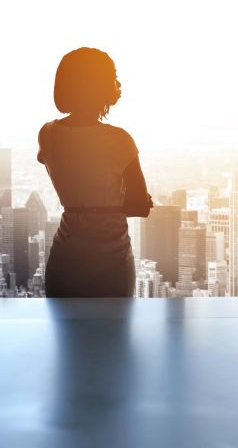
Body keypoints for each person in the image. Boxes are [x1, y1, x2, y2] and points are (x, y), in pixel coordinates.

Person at [38, 47, 152, 297]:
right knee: (113, 332)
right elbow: (140, 206)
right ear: (96, 84)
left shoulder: (47, 133)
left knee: (65, 333)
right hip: (111, 258)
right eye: (113, 76)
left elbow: (48, 160)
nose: (118, 83)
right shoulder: (119, 140)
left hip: (65, 255)